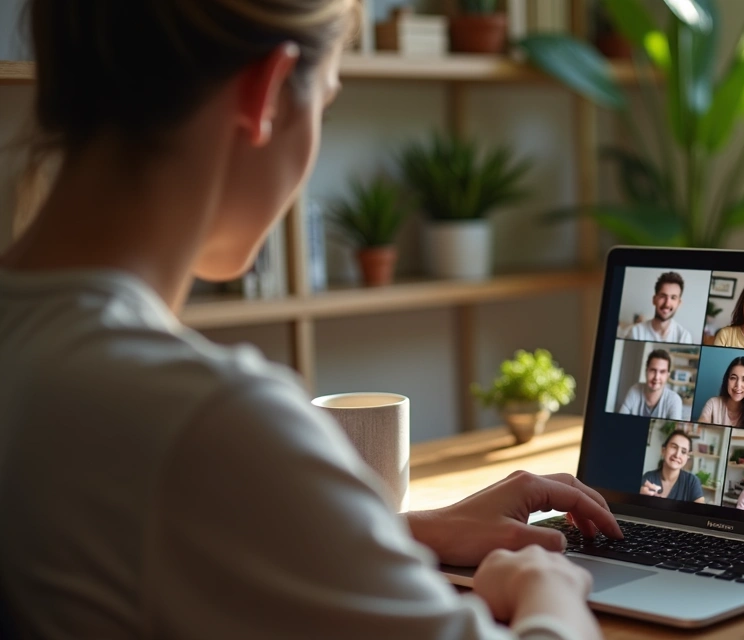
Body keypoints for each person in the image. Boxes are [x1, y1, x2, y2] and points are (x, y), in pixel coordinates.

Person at [0, 2, 622, 639]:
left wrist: (394, 531)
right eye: (326, 101)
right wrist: (545, 589)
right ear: (265, 92)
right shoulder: (205, 419)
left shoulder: (41, 356)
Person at [620, 271, 695, 344]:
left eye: (673, 297)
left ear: (679, 303)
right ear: (654, 300)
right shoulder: (636, 332)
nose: (667, 304)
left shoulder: (684, 337)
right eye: (663, 296)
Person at [698, 356, 744, 430]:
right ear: (727, 380)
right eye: (733, 378)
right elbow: (701, 424)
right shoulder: (713, 403)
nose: (738, 385)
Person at [639, 430, 705, 503]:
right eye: (674, 447)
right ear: (663, 450)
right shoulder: (648, 478)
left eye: (683, 451)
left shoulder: (692, 482)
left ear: (687, 458)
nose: (677, 455)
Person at [617, 349, 684, 419]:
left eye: (662, 372)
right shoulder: (634, 390)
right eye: (653, 370)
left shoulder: (674, 400)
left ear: (667, 375)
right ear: (646, 371)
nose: (656, 377)